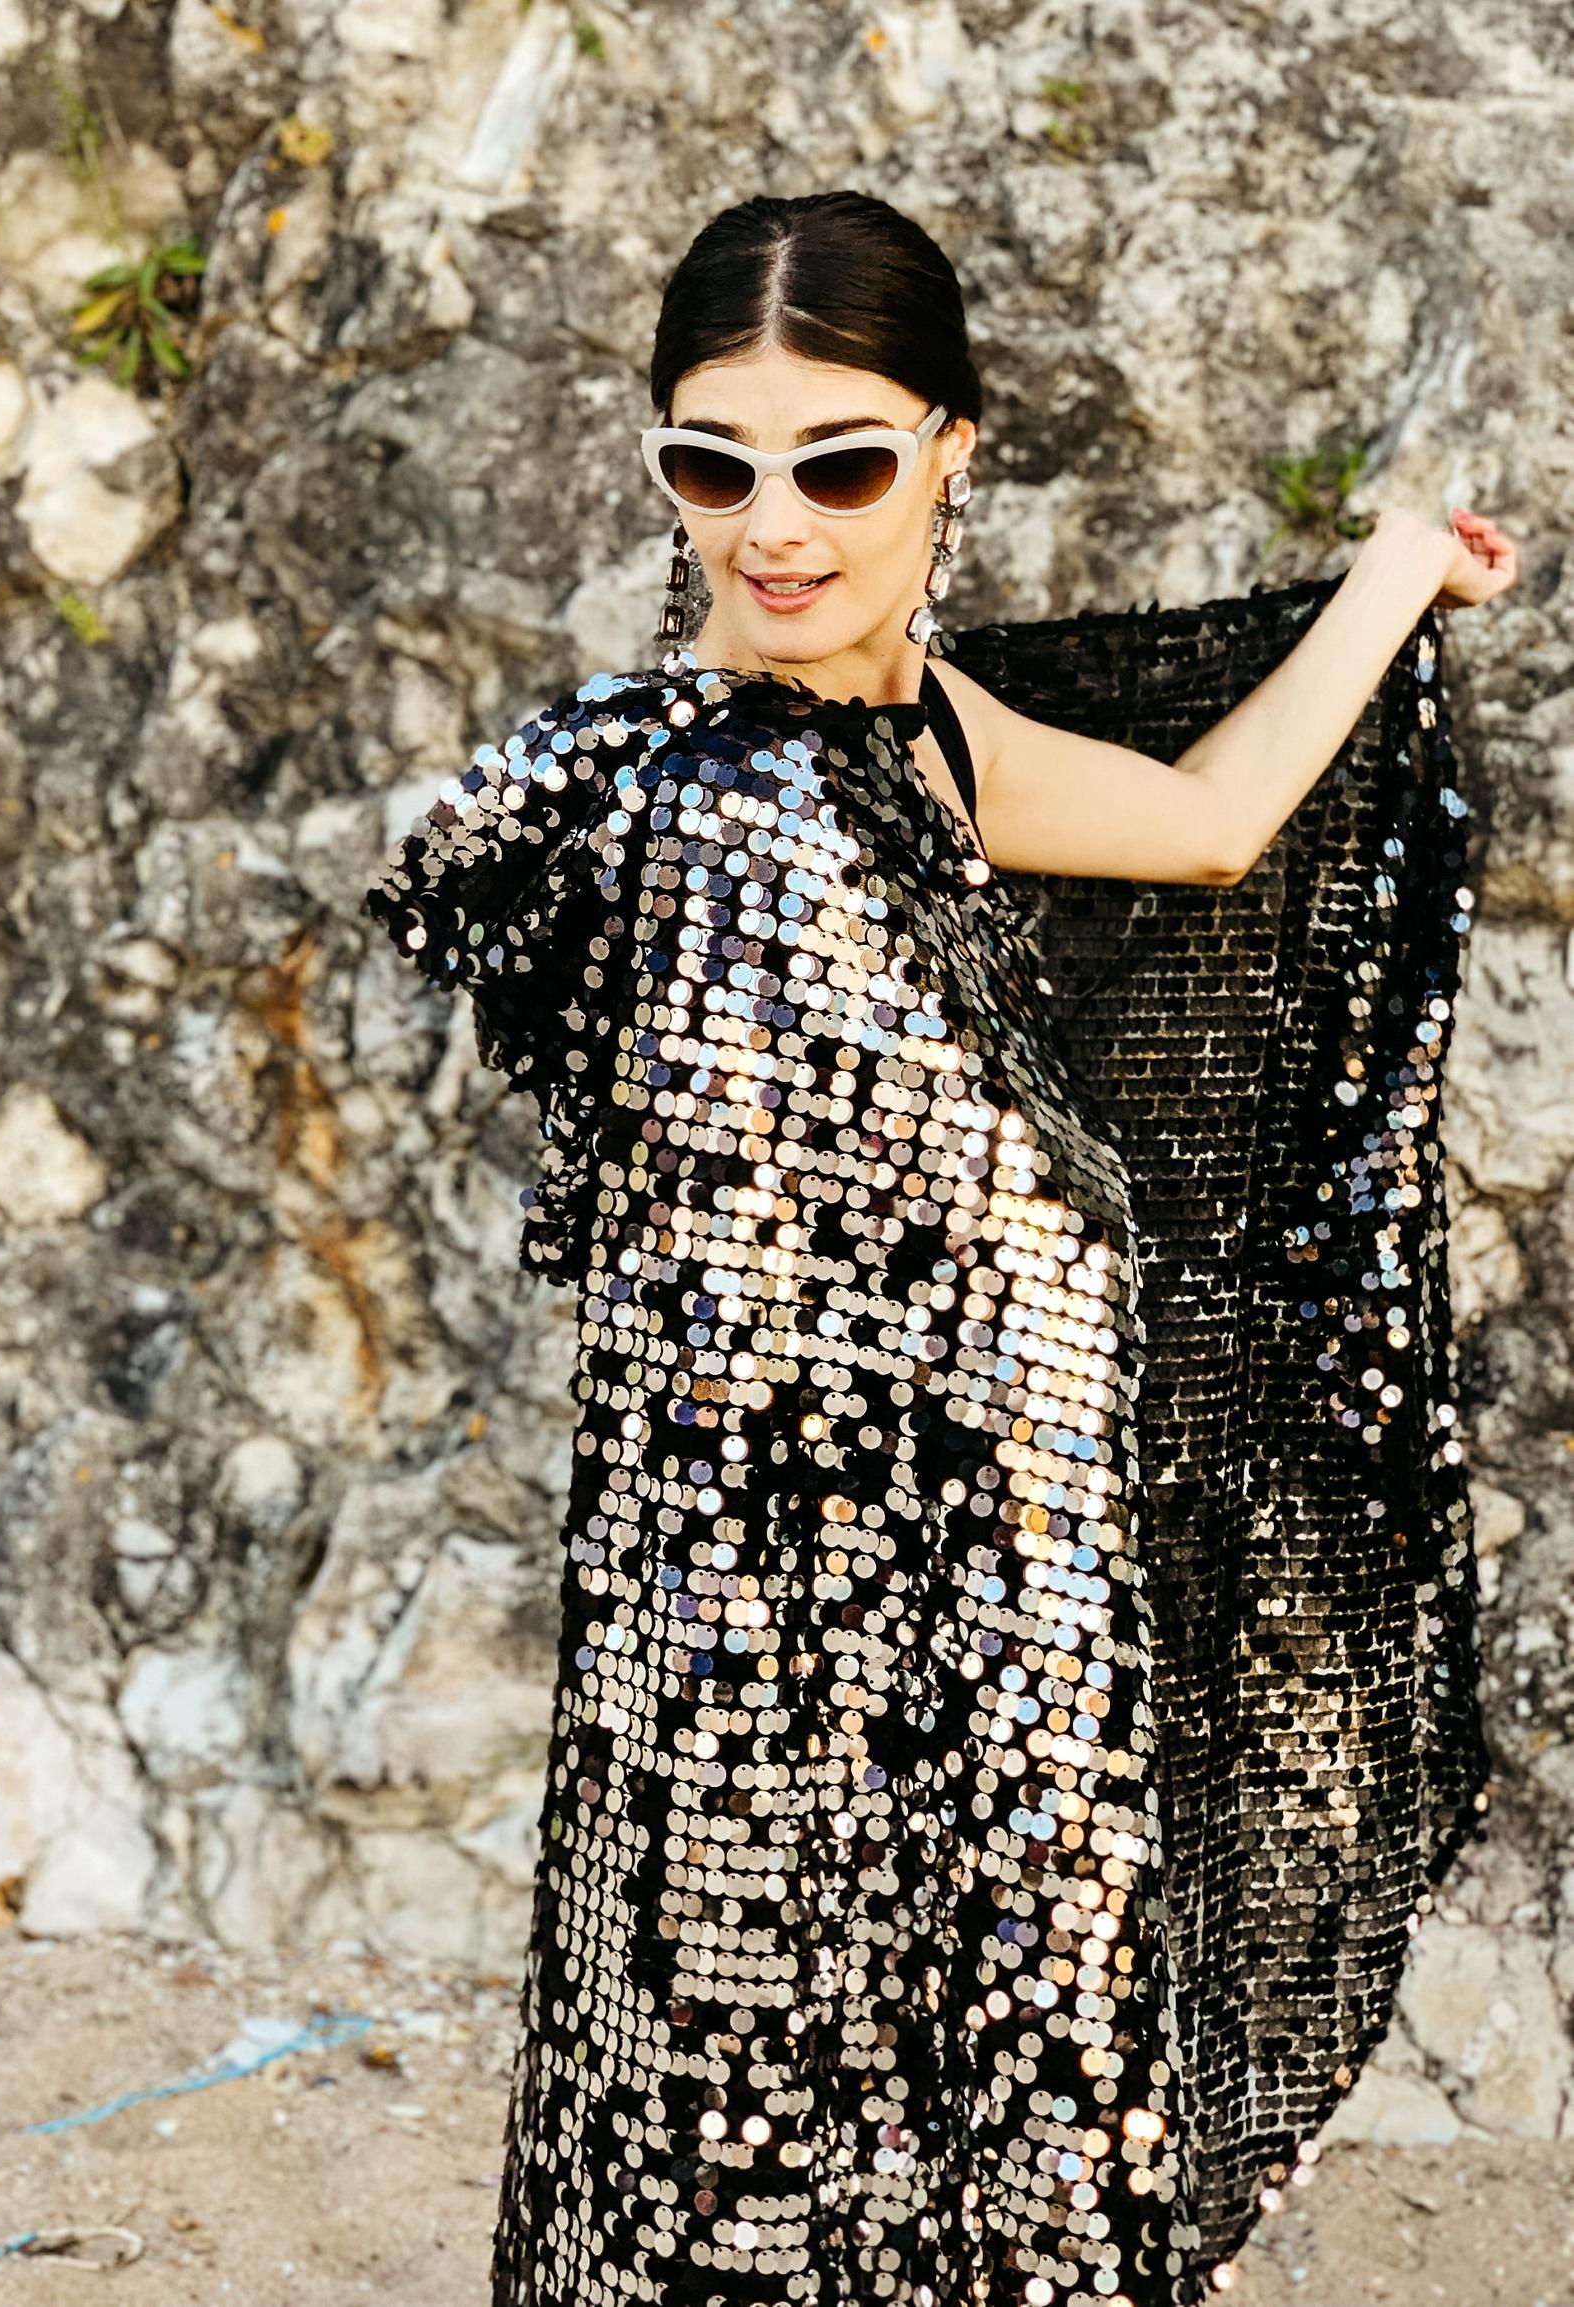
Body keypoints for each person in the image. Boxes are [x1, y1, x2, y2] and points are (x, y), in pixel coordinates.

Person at [365, 190, 1514, 2307]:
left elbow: (1205, 826)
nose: (770, 527)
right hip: (770, 1620)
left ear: (947, 448)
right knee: (750, 2124)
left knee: (1016, 2109)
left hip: (1008, 1566)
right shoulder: (674, 790)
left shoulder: (930, 739)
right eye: (710, 463)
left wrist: (1386, 579)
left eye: (838, 464)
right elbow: (722, 1262)